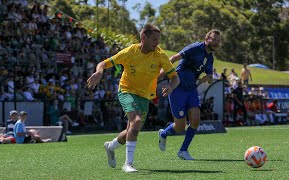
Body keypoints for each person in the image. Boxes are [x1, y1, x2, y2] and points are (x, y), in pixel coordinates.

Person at [87, 24, 180, 172]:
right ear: (144, 37)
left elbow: (175, 78)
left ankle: (110, 146)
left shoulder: (160, 55)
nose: (157, 43)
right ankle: (128, 164)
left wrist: (170, 85)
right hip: (126, 90)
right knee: (135, 121)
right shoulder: (131, 51)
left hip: (144, 96)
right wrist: (99, 72)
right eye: (154, 39)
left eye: (158, 40)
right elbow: (104, 63)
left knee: (132, 129)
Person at [158, 29, 222, 160]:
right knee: (180, 127)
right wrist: (158, 76)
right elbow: (174, 58)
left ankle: (183, 151)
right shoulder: (195, 47)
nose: (216, 42)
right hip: (177, 87)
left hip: (191, 88)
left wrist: (208, 78)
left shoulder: (210, 58)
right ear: (207, 39)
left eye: (218, 41)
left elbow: (209, 77)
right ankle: (164, 134)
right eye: (214, 39)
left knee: (196, 119)